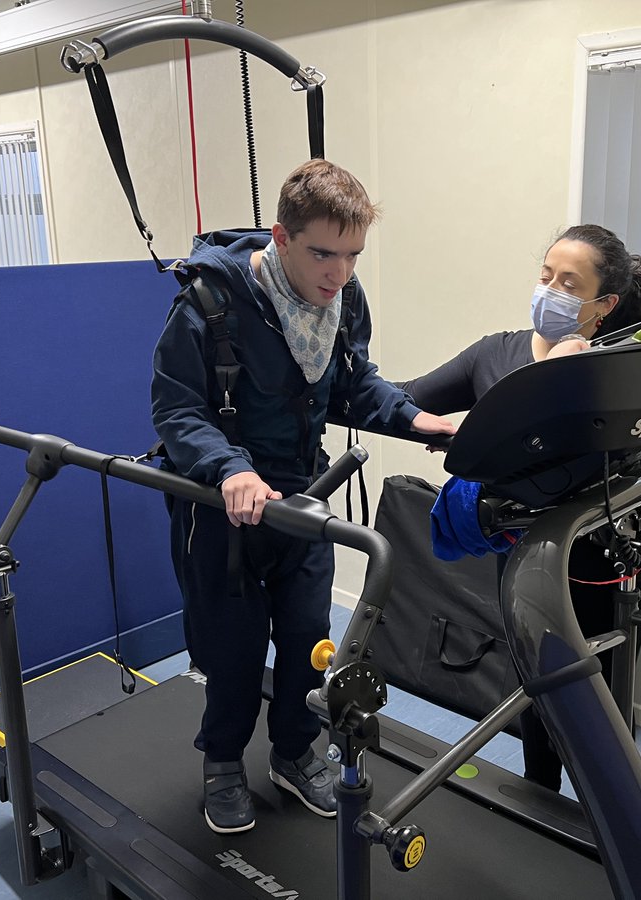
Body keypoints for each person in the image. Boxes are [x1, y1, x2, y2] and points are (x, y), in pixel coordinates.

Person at [152, 159, 455, 834]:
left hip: (305, 500)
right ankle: (224, 762)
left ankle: (293, 752)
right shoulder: (209, 302)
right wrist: (229, 468)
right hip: (222, 506)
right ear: (280, 239)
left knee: (306, 640)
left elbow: (354, 386)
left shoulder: (343, 299)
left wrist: (414, 419)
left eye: (352, 255)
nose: (338, 273)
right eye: (323, 253)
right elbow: (175, 410)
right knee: (231, 650)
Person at [398, 223, 641, 792]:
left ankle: (606, 825)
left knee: (598, 713)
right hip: (527, 562)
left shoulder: (617, 366)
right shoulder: (497, 354)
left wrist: (527, 397)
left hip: (607, 566)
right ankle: (542, 810)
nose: (550, 290)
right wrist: (334, 386)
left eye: (569, 283)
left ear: (603, 304)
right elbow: (409, 399)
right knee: (536, 703)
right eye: (546, 276)